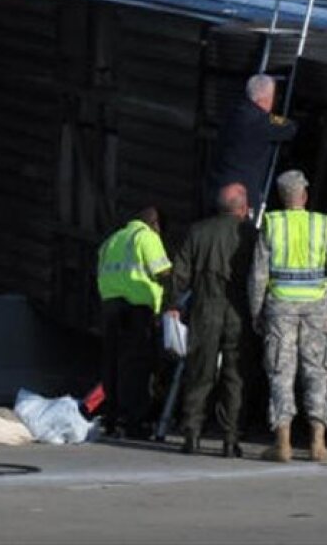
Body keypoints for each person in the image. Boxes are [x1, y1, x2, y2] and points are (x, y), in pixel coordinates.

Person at [248, 169, 327, 463]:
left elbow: (258, 275)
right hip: (317, 308)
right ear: (304, 196)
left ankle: (283, 443)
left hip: (280, 307)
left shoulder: (273, 225)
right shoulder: (321, 225)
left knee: (281, 371)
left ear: (282, 198)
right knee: (316, 371)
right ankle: (318, 443)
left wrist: (256, 311)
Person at [171, 183, 256, 457]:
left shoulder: (198, 231)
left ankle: (192, 435)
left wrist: (173, 305)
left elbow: (180, 273)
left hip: (204, 308)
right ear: (242, 208)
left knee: (199, 372)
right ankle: (231, 440)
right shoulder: (251, 234)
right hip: (238, 310)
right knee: (235, 376)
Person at [96, 206, 172, 439]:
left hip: (110, 308)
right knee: (137, 367)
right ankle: (134, 423)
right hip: (137, 308)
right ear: (154, 223)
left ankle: (112, 420)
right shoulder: (146, 237)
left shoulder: (111, 240)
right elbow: (164, 273)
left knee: (113, 365)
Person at [206, 74, 297, 215]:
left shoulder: (234, 111)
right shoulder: (262, 121)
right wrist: (276, 117)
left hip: (218, 186)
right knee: (245, 224)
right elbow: (289, 127)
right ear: (266, 98)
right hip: (243, 195)